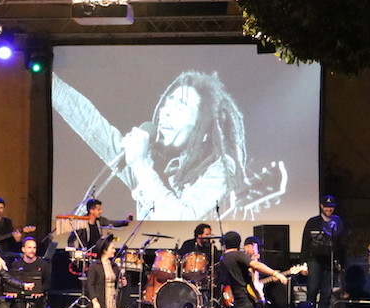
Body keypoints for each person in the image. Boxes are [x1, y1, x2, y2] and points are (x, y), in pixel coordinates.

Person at [53, 70, 262, 221]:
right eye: (167, 103)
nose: (166, 111)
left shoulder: (222, 167)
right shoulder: (148, 158)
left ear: (205, 128)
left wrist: (141, 166)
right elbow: (92, 126)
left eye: (180, 106)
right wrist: (50, 84)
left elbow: (181, 218)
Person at [216, 231, 288, 308]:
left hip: (238, 302)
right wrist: (276, 274)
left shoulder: (223, 258)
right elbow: (256, 265)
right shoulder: (237, 255)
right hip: (247, 302)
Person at [300, 195, 346, 308]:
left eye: (331, 207)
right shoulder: (312, 222)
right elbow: (305, 243)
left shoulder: (338, 222)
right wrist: (303, 263)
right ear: (321, 206)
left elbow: (342, 244)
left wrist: (341, 263)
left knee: (327, 292)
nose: (328, 209)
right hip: (314, 260)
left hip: (330, 262)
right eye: (326, 206)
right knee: (313, 289)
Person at [8, 236, 53, 308]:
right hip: (19, 303)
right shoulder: (16, 265)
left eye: (34, 247)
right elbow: (11, 282)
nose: (32, 250)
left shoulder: (44, 264)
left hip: (38, 304)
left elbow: (48, 282)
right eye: (29, 247)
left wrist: (40, 291)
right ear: (23, 249)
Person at [85, 235, 126, 308]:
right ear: (104, 250)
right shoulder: (94, 266)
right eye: (112, 248)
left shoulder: (114, 266)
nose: (114, 250)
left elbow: (117, 283)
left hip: (112, 300)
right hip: (101, 298)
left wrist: (122, 282)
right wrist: (94, 301)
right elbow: (90, 285)